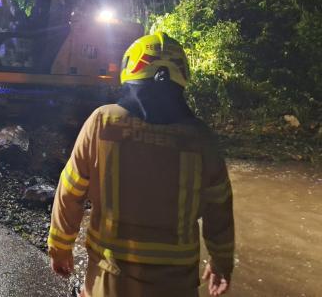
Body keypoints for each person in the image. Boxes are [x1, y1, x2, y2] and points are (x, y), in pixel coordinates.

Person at [48, 32, 234, 296]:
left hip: (110, 279)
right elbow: (220, 207)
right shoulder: (201, 138)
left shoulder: (102, 123)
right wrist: (221, 261)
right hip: (177, 284)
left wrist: (60, 246)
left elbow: (70, 190)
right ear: (181, 77)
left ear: (131, 71)